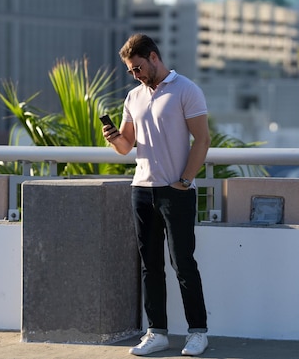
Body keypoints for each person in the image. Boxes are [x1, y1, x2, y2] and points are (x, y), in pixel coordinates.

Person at [102, 33, 210, 356]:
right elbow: (126, 146)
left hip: (176, 191)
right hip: (142, 190)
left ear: (153, 57)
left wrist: (185, 179)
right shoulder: (133, 98)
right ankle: (157, 332)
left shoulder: (186, 90)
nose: (134, 74)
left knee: (183, 263)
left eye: (137, 67)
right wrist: (113, 138)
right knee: (150, 265)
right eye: (130, 71)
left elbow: (202, 140)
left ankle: (198, 332)